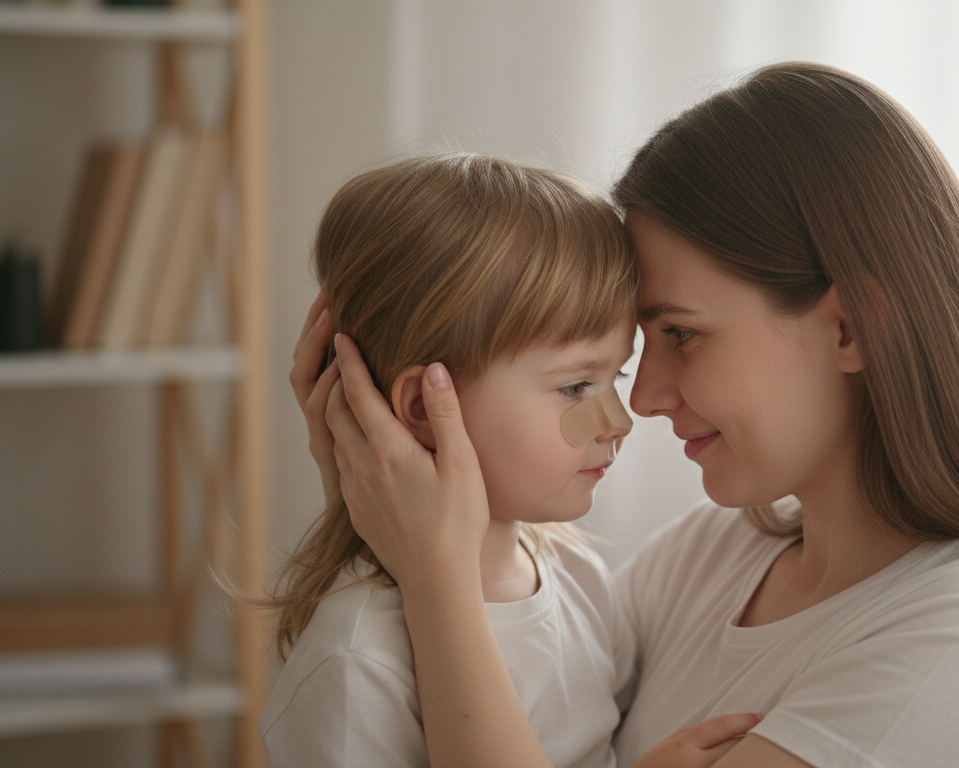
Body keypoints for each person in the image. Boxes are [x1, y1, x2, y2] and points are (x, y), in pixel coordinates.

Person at [307, 62, 959, 768]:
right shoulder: (699, 562)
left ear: (850, 327)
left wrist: (435, 579)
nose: (644, 400)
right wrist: (396, 478)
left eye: (680, 336)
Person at [265, 152, 761, 768]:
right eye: (577, 387)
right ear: (425, 406)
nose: (620, 420)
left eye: (617, 375)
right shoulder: (357, 662)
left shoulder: (575, 573)